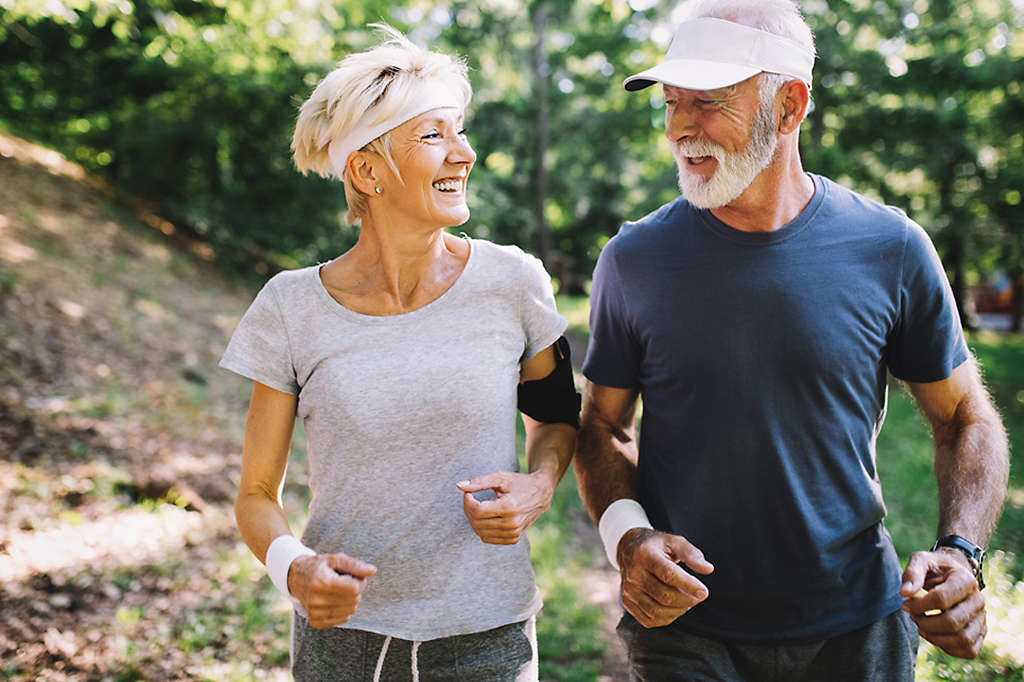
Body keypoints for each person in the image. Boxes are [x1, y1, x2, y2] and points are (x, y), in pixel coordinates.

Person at [574, 1, 1009, 680]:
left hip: (858, 626)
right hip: (686, 631)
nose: (682, 126)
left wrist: (960, 552)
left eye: (710, 101)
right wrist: (627, 537)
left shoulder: (890, 248)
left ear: (789, 106)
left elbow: (965, 417)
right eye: (671, 101)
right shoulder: (633, 260)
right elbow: (603, 424)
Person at [220, 26, 580, 681]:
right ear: (366, 169)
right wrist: (294, 568)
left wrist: (540, 486)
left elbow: (558, 417)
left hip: (488, 637)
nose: (464, 153)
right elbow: (254, 493)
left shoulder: (515, 282)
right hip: (343, 643)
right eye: (435, 135)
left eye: (460, 131)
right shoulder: (290, 306)